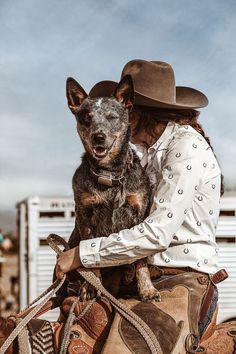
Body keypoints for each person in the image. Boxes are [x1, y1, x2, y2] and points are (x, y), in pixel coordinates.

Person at [56, 60, 227, 352]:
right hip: (135, 276)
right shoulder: (143, 155)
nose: (106, 125)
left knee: (126, 347)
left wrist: (82, 255)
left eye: (116, 115)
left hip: (182, 277)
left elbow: (156, 234)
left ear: (134, 112)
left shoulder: (187, 148)